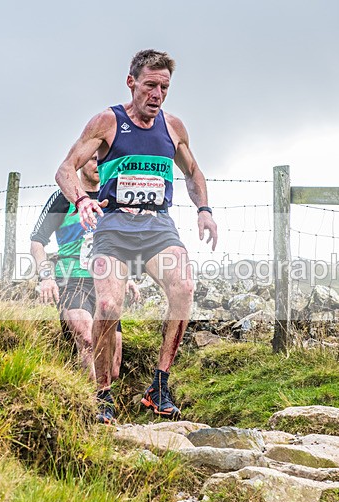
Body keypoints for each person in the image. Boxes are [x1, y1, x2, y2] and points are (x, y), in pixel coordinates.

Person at [54, 49, 218, 422]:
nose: (157, 94)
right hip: (114, 226)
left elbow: (194, 174)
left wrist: (204, 210)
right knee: (109, 306)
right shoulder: (107, 122)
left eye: (164, 87)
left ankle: (159, 385)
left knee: (184, 287)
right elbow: (65, 168)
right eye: (150, 85)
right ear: (132, 83)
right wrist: (80, 199)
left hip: (157, 226)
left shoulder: (173, 127)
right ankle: (102, 394)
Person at [30, 156, 139, 423]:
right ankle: (95, 411)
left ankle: (100, 401)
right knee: (89, 340)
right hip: (72, 279)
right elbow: (37, 241)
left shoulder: (112, 201)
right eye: (92, 158)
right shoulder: (63, 199)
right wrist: (46, 277)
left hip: (107, 284)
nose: (97, 164)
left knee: (112, 367)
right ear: (80, 164)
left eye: (102, 160)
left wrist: (128, 277)